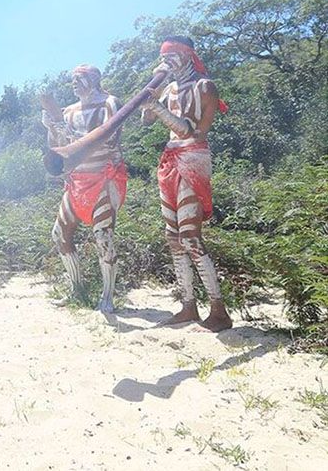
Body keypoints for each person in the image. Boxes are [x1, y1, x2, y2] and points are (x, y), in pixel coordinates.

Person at [142, 36, 232, 332]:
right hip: (169, 160)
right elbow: (146, 121)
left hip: (192, 158)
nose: (167, 61)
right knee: (173, 237)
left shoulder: (204, 87)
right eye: (163, 57)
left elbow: (191, 131)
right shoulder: (168, 88)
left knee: (191, 236)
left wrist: (156, 106)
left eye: (172, 56)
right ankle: (188, 306)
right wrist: (149, 98)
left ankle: (218, 310)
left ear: (187, 56)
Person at [42, 64, 126, 312]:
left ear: (94, 79)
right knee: (59, 234)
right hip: (76, 181)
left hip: (103, 177)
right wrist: (51, 127)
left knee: (103, 236)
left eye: (79, 79)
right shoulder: (68, 111)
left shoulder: (110, 103)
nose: (74, 83)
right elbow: (57, 147)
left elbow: (109, 138)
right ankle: (76, 290)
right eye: (72, 80)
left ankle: (107, 296)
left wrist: (66, 130)